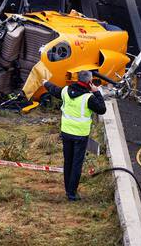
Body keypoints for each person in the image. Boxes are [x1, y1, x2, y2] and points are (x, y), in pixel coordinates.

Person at [43, 70, 107, 201]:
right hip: (80, 135)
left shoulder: (66, 91)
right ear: (89, 82)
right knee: (76, 164)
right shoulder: (89, 98)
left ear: (77, 79)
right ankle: (72, 193)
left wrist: (45, 82)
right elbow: (102, 109)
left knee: (68, 161)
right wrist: (97, 92)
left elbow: (54, 89)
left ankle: (68, 189)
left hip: (66, 132)